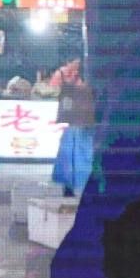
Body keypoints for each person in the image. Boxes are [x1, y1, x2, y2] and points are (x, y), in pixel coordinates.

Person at [50, 57, 95, 197]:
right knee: (75, 156)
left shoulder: (80, 78)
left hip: (81, 123)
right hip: (79, 123)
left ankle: (73, 187)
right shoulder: (65, 75)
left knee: (74, 156)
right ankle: (73, 187)